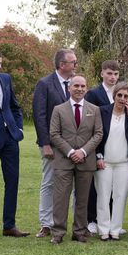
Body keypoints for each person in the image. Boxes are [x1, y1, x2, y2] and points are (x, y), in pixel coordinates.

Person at [49, 75, 103, 244]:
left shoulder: (94, 109)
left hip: (86, 161)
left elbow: (98, 133)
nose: (79, 89)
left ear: (86, 88)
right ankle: (58, 232)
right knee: (60, 198)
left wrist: (84, 152)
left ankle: (79, 231)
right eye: (76, 86)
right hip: (64, 160)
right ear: (69, 88)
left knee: (83, 198)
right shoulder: (59, 109)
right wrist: (71, 151)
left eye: (83, 86)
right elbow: (54, 134)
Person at [0, 48, 28, 238]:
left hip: (10, 138)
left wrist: (19, 128)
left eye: (0, 63)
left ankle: (9, 226)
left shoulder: (6, 79)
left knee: (13, 181)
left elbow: (14, 106)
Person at [32, 48, 77, 238]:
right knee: (49, 182)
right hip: (52, 144)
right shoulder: (45, 84)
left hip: (75, 144)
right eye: (73, 62)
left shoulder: (77, 84)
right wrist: (45, 144)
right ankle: (46, 224)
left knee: (76, 184)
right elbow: (39, 115)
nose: (76, 65)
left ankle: (78, 224)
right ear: (62, 65)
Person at [95, 82, 128, 241]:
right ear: (114, 96)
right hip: (105, 162)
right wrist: (98, 156)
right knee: (103, 195)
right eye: (120, 95)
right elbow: (95, 135)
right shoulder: (103, 111)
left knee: (120, 196)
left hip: (124, 163)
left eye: (126, 96)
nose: (122, 99)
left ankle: (115, 229)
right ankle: (103, 228)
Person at [85, 59, 120, 235]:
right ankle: (91, 219)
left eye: (115, 74)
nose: (112, 77)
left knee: (112, 185)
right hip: (97, 144)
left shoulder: (121, 93)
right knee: (95, 184)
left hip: (116, 144)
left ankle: (111, 220)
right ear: (102, 74)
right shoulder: (93, 94)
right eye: (109, 73)